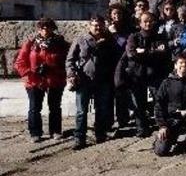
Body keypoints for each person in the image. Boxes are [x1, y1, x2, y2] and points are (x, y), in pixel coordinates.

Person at [66, 15, 119, 150]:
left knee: (101, 109)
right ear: (90, 26)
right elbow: (70, 59)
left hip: (103, 80)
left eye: (100, 25)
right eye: (95, 25)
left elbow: (115, 59)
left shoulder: (109, 40)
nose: (98, 28)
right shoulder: (81, 39)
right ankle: (79, 138)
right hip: (84, 79)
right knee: (81, 111)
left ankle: (100, 134)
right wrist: (71, 74)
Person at [15, 17, 70, 142]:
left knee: (55, 107)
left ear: (52, 28)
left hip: (55, 79)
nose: (45, 30)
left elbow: (67, 61)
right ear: (38, 29)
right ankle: (35, 133)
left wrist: (56, 70)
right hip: (34, 80)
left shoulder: (60, 43)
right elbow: (20, 62)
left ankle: (55, 131)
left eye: (48, 27)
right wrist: (31, 72)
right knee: (34, 107)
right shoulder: (31, 43)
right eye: (42, 28)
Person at [116, 12, 170, 137]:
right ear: (140, 23)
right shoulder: (133, 37)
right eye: (145, 21)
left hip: (155, 75)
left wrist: (144, 52)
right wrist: (154, 52)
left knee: (159, 101)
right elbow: (131, 54)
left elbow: (164, 53)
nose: (148, 23)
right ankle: (142, 128)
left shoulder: (159, 37)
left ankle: (162, 125)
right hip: (137, 75)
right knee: (138, 104)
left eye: (150, 21)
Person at [153, 55, 186, 156]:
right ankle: (165, 138)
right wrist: (162, 125)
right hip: (171, 119)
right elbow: (159, 105)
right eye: (181, 63)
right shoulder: (167, 82)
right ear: (175, 65)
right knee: (160, 151)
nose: (184, 65)